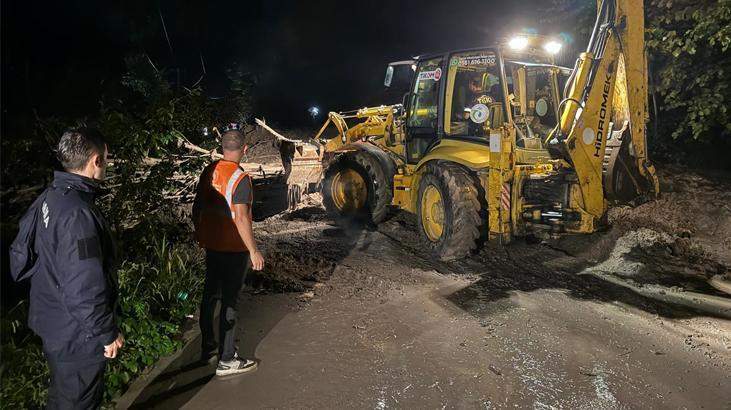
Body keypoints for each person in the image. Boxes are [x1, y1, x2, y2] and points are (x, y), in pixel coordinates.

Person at [12, 128, 123, 409]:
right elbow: (83, 287)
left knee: (63, 397)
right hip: (76, 333)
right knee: (77, 400)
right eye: (107, 159)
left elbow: (25, 253)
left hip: (53, 320)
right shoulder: (77, 214)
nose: (107, 165)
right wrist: (106, 333)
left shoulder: (53, 195)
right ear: (96, 160)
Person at [192, 127, 265, 376]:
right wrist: (254, 251)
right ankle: (227, 359)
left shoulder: (209, 172)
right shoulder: (240, 178)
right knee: (229, 301)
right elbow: (242, 219)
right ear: (244, 149)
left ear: (222, 148)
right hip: (234, 248)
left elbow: (197, 206)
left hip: (212, 246)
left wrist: (199, 231)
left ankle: (208, 350)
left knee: (210, 296)